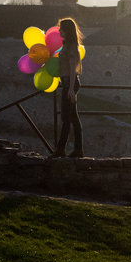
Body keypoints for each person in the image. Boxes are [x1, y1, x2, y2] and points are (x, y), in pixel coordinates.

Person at [51, 17, 84, 158]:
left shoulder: (70, 47)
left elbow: (72, 69)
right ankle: (78, 150)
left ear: (67, 31)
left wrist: (70, 89)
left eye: (61, 28)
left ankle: (60, 150)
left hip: (70, 83)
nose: (59, 30)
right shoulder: (67, 45)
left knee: (66, 118)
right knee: (74, 119)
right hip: (68, 82)